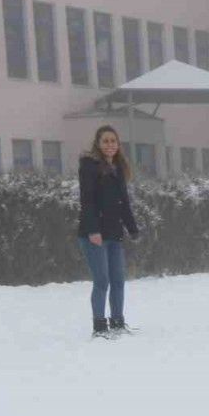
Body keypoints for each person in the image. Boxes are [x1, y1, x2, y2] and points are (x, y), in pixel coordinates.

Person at [77, 125, 139, 339]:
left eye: (113, 141)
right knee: (102, 281)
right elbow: (87, 201)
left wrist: (132, 228)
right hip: (94, 235)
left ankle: (118, 321)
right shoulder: (89, 167)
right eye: (106, 141)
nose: (110, 145)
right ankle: (99, 325)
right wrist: (93, 230)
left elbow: (123, 202)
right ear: (98, 143)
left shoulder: (118, 168)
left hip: (114, 233)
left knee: (118, 280)